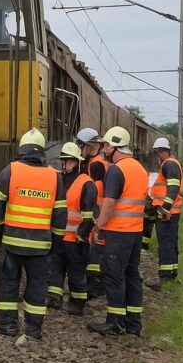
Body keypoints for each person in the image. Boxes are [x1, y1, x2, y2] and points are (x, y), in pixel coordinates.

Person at [0, 129, 67, 340]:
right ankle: (33, 329)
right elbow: (60, 213)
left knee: (9, 284)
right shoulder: (54, 176)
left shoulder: (10, 171)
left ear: (21, 149)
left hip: (12, 244)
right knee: (37, 287)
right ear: (42, 151)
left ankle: (8, 326)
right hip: (40, 246)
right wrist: (56, 239)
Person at [87, 126, 148, 337]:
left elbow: (109, 203)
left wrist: (99, 228)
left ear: (114, 146)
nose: (103, 149)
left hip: (118, 233)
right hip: (135, 233)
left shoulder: (116, 170)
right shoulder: (139, 168)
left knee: (113, 275)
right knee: (132, 275)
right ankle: (133, 323)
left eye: (105, 145)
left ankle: (114, 323)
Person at [46, 142, 96, 315]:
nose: (64, 164)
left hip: (76, 239)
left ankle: (77, 303)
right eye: (63, 160)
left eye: (68, 161)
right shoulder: (58, 179)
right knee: (55, 269)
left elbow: (89, 216)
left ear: (76, 162)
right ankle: (54, 298)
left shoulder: (86, 183)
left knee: (76, 273)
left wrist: (82, 236)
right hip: (59, 237)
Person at [147, 137, 183, 290]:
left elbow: (173, 189)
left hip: (167, 212)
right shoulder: (172, 164)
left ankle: (165, 279)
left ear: (161, 152)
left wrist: (165, 209)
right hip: (172, 211)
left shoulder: (169, 164)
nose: (157, 156)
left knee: (166, 244)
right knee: (171, 243)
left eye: (157, 153)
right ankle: (172, 275)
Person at [76, 127, 109, 298]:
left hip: (98, 210)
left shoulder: (96, 164)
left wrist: (94, 213)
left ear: (88, 146)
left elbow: (96, 191)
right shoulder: (98, 162)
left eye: (81, 146)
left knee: (94, 249)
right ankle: (96, 284)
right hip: (101, 209)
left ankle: (95, 287)